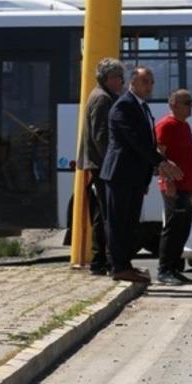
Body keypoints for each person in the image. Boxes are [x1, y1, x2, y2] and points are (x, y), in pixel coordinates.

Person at [99, 66, 183, 284]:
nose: (150, 86)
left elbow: (148, 143)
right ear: (133, 82)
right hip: (120, 174)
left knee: (130, 223)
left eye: (152, 82)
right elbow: (136, 142)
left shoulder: (142, 107)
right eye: (146, 81)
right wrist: (162, 163)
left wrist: (148, 175)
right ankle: (118, 267)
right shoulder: (123, 106)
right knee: (118, 222)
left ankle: (125, 264)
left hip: (134, 176)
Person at [79, 58, 124, 276]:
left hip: (101, 165)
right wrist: (113, 165)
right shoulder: (101, 99)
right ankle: (103, 261)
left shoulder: (104, 97)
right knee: (107, 215)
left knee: (102, 215)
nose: (121, 82)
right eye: (117, 77)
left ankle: (101, 260)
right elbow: (101, 137)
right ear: (107, 78)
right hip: (103, 166)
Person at [155, 89, 192, 285]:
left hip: (187, 186)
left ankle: (174, 268)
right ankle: (164, 270)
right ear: (174, 105)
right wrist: (168, 181)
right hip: (174, 187)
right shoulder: (165, 126)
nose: (191, 106)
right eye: (187, 103)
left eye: (191, 102)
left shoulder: (185, 126)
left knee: (183, 229)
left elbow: (190, 158)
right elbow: (160, 157)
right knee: (173, 228)